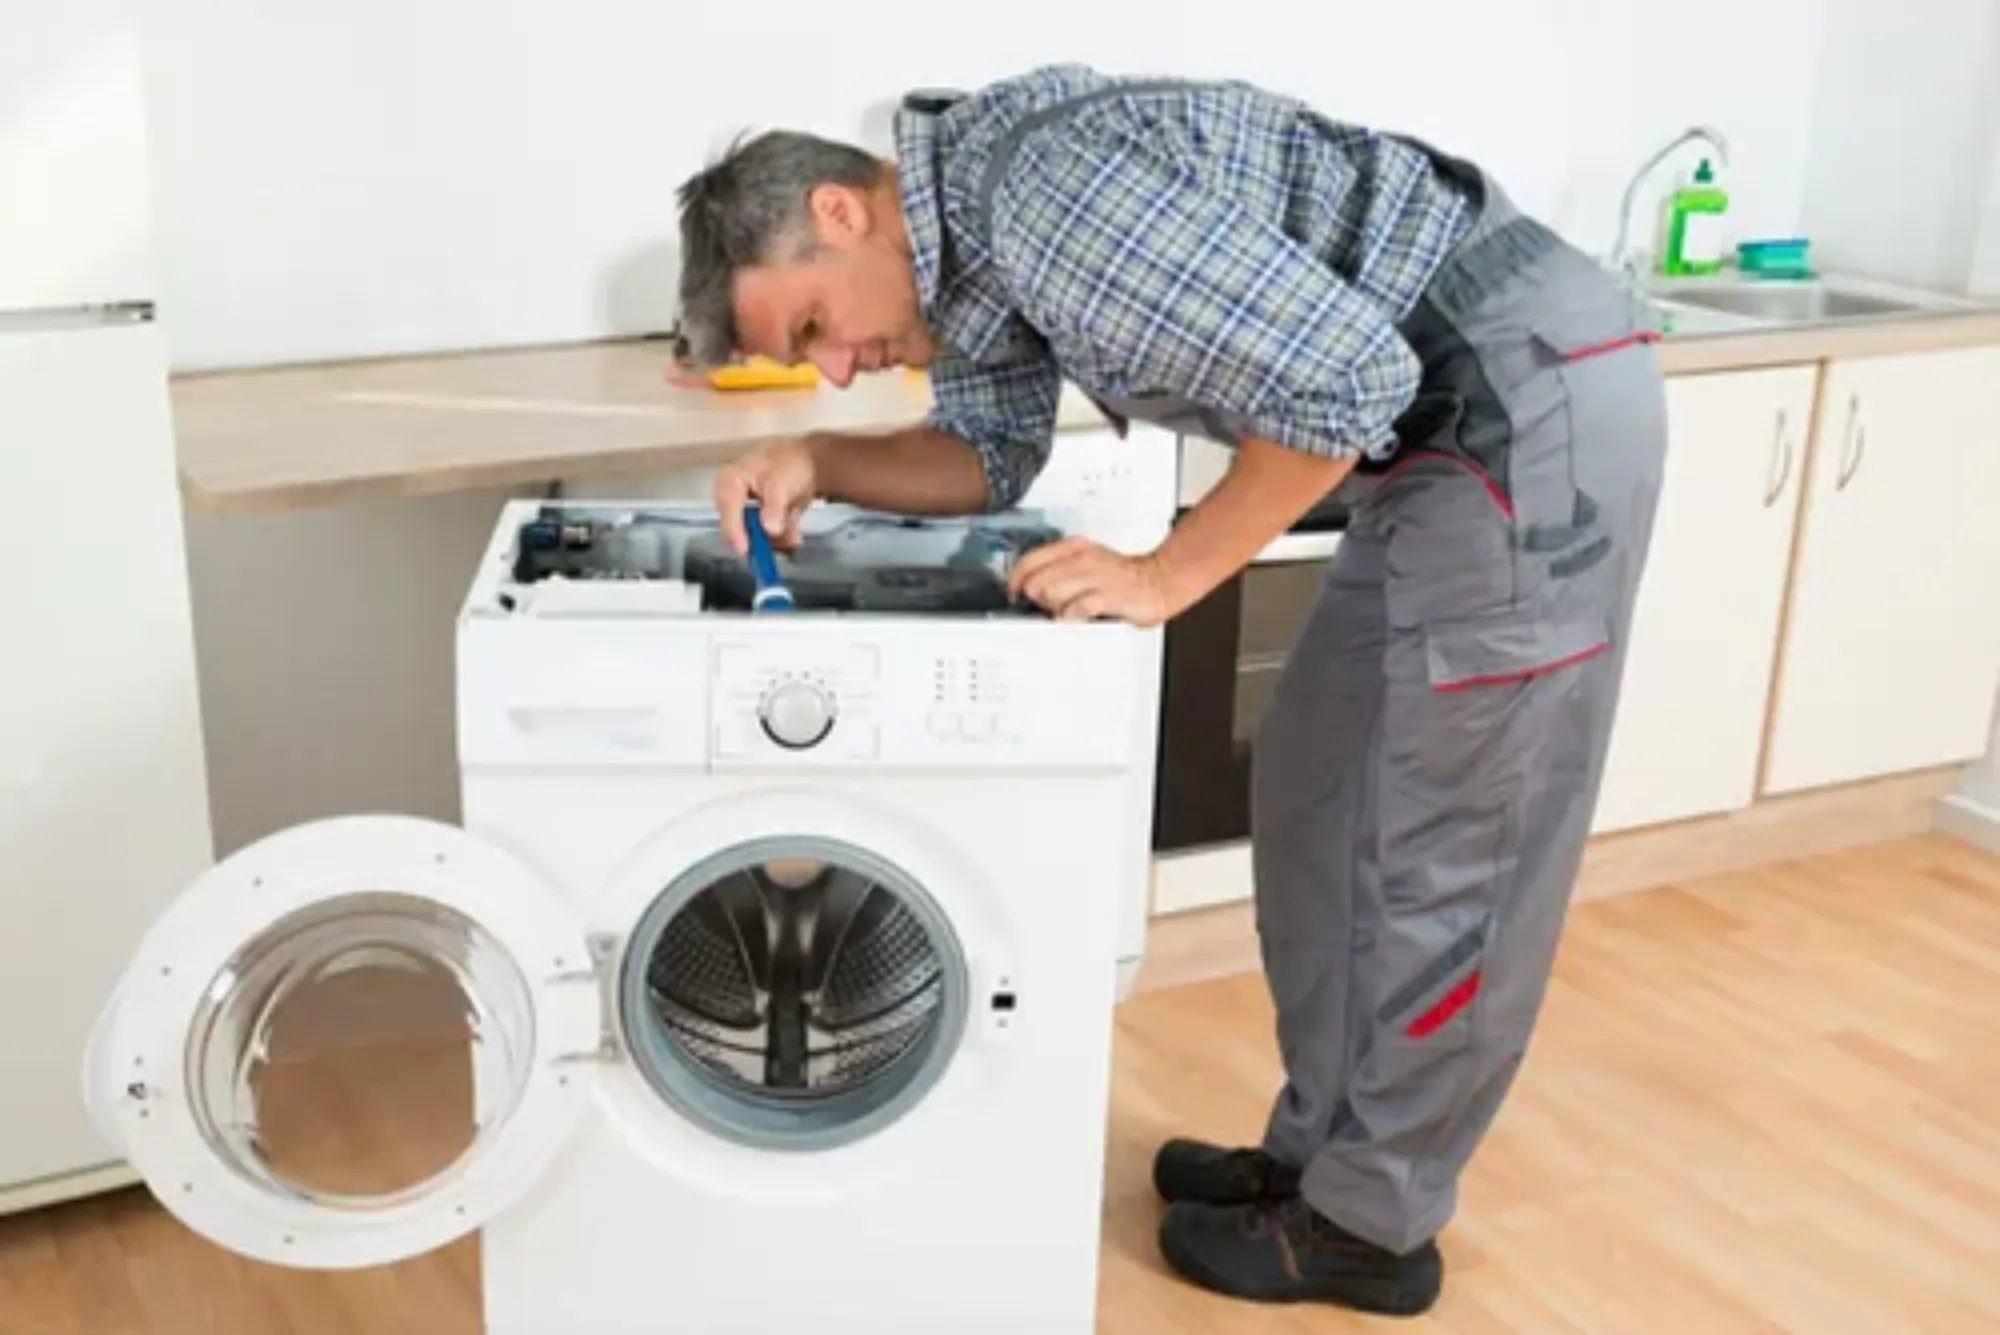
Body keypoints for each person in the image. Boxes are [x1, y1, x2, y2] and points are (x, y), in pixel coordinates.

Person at [672, 63, 1668, 1317]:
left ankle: (1372, 1222)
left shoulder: (1040, 194)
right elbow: (986, 455)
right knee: (1315, 797)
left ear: (838, 212)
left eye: (812, 326)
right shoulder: (970, 258)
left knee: (1454, 853)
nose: (832, 368)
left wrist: (1165, 574)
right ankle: (1317, 1163)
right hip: (1430, 439)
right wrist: (817, 461)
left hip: (1523, 405)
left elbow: (1345, 383)